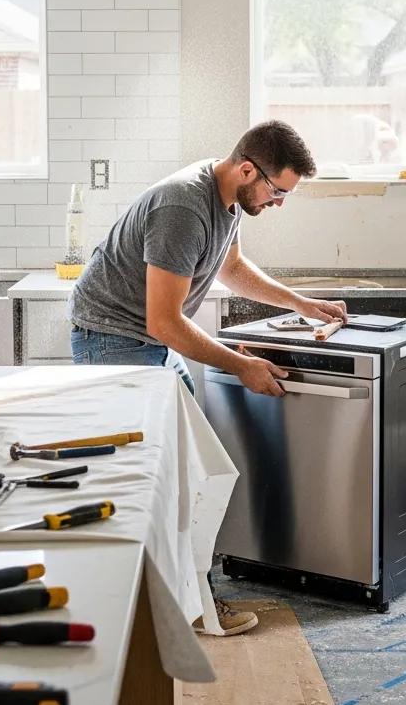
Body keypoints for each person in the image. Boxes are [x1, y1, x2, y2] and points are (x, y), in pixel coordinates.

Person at [68, 120, 348, 635]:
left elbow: (231, 267)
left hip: (146, 343)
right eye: (277, 191)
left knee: (191, 469)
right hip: (113, 341)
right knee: (150, 481)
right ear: (247, 169)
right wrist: (241, 365)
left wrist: (301, 303)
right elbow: (165, 321)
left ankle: (184, 595)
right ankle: (157, 611)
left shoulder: (226, 200)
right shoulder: (183, 209)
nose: (278, 203)